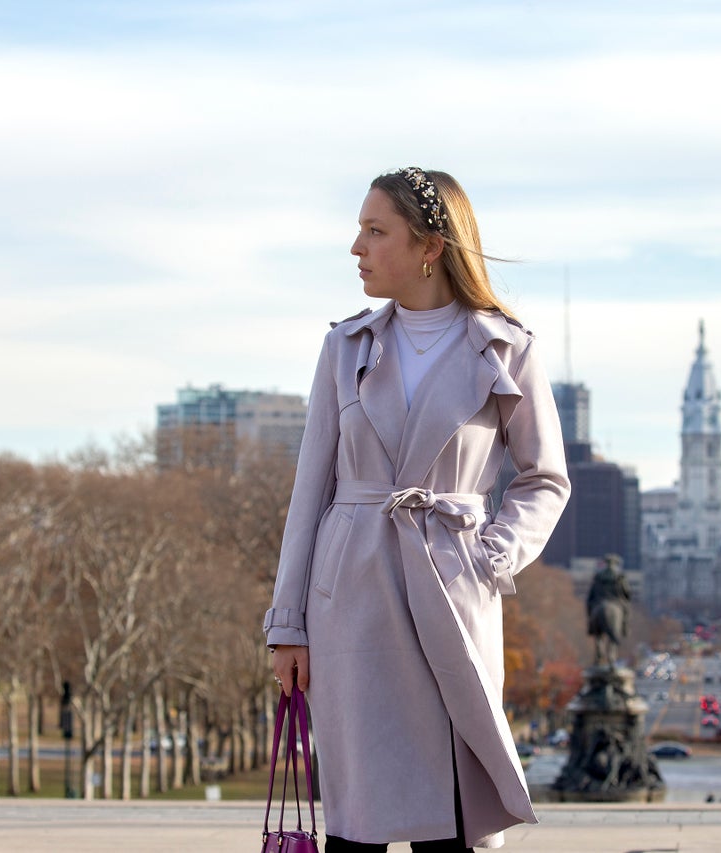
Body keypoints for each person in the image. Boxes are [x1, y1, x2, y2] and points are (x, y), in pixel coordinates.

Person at [265, 167, 571, 852]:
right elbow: (310, 489)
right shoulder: (344, 347)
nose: (357, 247)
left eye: (376, 231)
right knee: (357, 823)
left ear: (430, 245)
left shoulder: (507, 347)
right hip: (353, 598)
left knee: (454, 821)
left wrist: (490, 557)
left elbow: (545, 478)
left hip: (451, 592)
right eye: (360, 230)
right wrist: (288, 623)